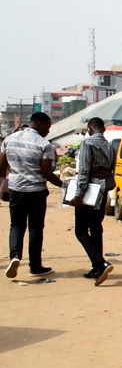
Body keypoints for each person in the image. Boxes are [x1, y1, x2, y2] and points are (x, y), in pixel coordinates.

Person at [0, 112, 63, 278]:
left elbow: (1, 167)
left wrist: (3, 186)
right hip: (36, 192)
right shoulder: (44, 144)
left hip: (15, 190)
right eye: (47, 127)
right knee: (35, 228)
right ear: (39, 124)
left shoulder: (9, 139)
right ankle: (35, 266)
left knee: (16, 225)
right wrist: (63, 185)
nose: (48, 131)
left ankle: (15, 256)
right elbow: (47, 172)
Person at [71, 117, 115, 285]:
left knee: (80, 230)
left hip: (89, 191)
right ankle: (96, 269)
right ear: (103, 129)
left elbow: (84, 171)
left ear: (90, 129)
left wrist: (79, 194)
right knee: (96, 228)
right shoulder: (110, 147)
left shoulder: (87, 144)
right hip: (102, 191)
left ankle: (100, 263)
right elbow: (111, 170)